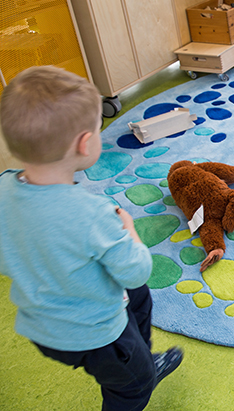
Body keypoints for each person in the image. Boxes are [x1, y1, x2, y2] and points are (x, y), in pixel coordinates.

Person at [0, 66, 183, 410]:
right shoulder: (91, 214)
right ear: (85, 144)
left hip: (41, 324)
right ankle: (139, 372)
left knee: (138, 298)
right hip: (95, 336)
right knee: (131, 388)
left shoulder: (3, 188)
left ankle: (139, 359)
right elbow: (136, 271)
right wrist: (128, 231)